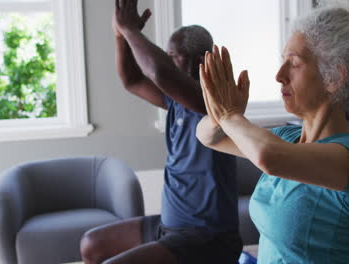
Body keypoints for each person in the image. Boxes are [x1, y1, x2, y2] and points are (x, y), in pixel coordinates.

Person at [196, 1, 349, 263]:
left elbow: (269, 158)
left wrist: (230, 115)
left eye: (294, 63)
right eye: (282, 61)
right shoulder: (288, 138)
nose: (279, 75)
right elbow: (208, 136)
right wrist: (222, 115)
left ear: (334, 77)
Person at [80, 0, 242, 263]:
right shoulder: (176, 101)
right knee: (91, 244)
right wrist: (120, 33)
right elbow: (132, 80)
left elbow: (157, 71)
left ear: (200, 61)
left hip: (207, 237)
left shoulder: (213, 99)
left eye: (173, 56)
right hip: (170, 227)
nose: (167, 60)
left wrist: (132, 31)